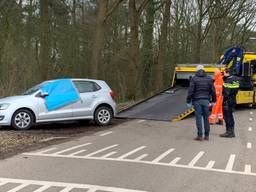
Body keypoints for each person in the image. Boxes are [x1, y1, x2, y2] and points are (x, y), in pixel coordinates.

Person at [187, 65, 216, 141]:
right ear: (204, 70)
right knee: (206, 118)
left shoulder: (194, 79)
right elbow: (213, 91)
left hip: (197, 101)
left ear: (196, 70)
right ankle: (207, 136)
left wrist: (188, 101)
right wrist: (213, 101)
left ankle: (200, 136)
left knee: (198, 118)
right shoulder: (209, 79)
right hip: (206, 100)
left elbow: (190, 91)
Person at [220, 68, 240, 138]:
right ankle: (231, 132)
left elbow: (226, 93)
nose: (223, 74)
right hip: (233, 99)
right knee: (230, 116)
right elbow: (236, 91)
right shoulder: (236, 79)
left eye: (224, 73)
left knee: (227, 117)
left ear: (228, 73)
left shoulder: (228, 81)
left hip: (227, 101)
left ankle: (229, 132)